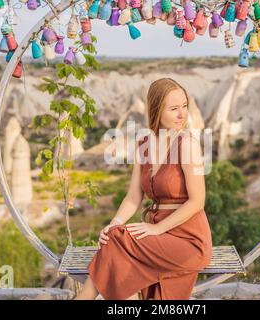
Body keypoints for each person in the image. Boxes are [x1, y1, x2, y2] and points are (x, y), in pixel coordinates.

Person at [74, 77, 212, 300]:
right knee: (114, 235)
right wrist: (115, 223)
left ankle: (83, 298)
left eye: (185, 106)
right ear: (157, 110)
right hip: (156, 234)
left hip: (189, 240)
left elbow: (198, 201)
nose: (182, 114)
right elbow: (133, 196)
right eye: (174, 108)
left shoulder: (188, 144)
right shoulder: (144, 144)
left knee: (119, 240)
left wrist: (158, 229)